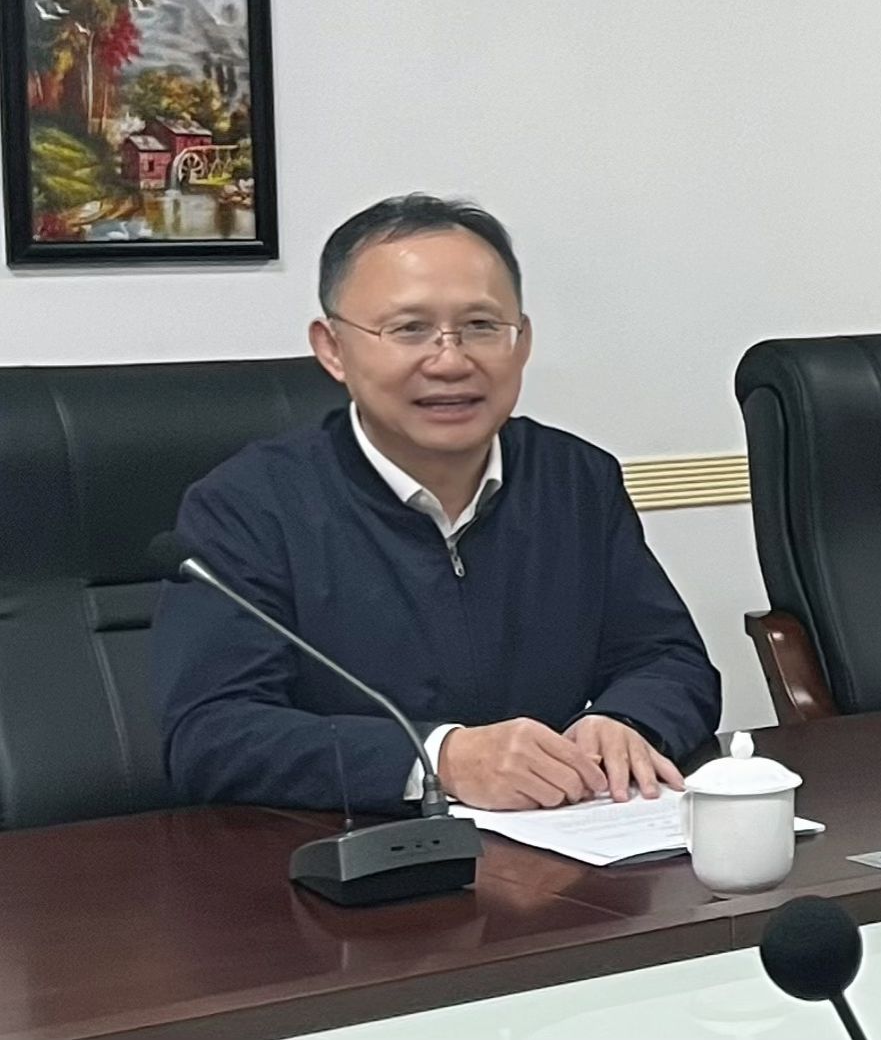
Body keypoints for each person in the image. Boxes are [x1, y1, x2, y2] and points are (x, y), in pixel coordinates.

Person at [151, 194, 721, 815]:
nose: (451, 361)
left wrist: (625, 719)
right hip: (345, 854)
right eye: (409, 330)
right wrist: (438, 758)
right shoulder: (250, 507)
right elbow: (212, 733)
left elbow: (669, 658)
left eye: (481, 326)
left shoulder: (575, 479)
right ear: (333, 348)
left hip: (562, 847)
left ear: (522, 341)